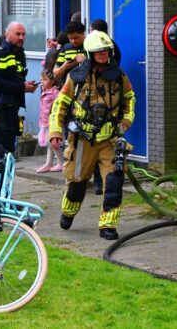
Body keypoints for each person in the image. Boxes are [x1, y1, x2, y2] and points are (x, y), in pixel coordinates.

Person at [49, 30, 136, 240]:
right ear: (90, 53)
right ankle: (68, 212)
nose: (103, 54)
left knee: (114, 182)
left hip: (110, 140)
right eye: (98, 51)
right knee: (77, 183)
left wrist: (125, 122)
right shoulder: (76, 78)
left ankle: (108, 225)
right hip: (82, 140)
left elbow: (129, 99)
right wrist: (55, 131)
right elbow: (60, 105)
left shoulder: (119, 77)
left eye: (106, 50)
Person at [0, 22, 38, 153]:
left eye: (23, 34)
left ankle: (4, 173)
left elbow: (14, 80)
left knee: (9, 152)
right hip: (0, 109)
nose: (21, 37)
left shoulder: (18, 54)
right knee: (1, 152)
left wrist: (25, 86)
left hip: (12, 109)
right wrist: (22, 86)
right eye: (17, 34)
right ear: (7, 34)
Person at [88, 19, 121, 195]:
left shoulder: (110, 52)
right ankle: (99, 182)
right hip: (102, 115)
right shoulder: (114, 48)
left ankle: (100, 183)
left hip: (104, 115)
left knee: (103, 153)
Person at [36, 69, 64, 173]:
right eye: (41, 80)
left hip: (52, 123)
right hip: (44, 122)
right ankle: (48, 164)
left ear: (52, 80)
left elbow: (59, 107)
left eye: (45, 79)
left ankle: (61, 162)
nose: (42, 82)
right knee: (49, 143)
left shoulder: (55, 92)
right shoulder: (44, 92)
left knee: (51, 142)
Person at [53, 20, 87, 84]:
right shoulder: (66, 49)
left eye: (76, 38)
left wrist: (86, 60)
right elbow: (55, 75)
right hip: (68, 89)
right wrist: (64, 67)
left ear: (83, 34)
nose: (73, 41)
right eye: (70, 38)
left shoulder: (90, 47)